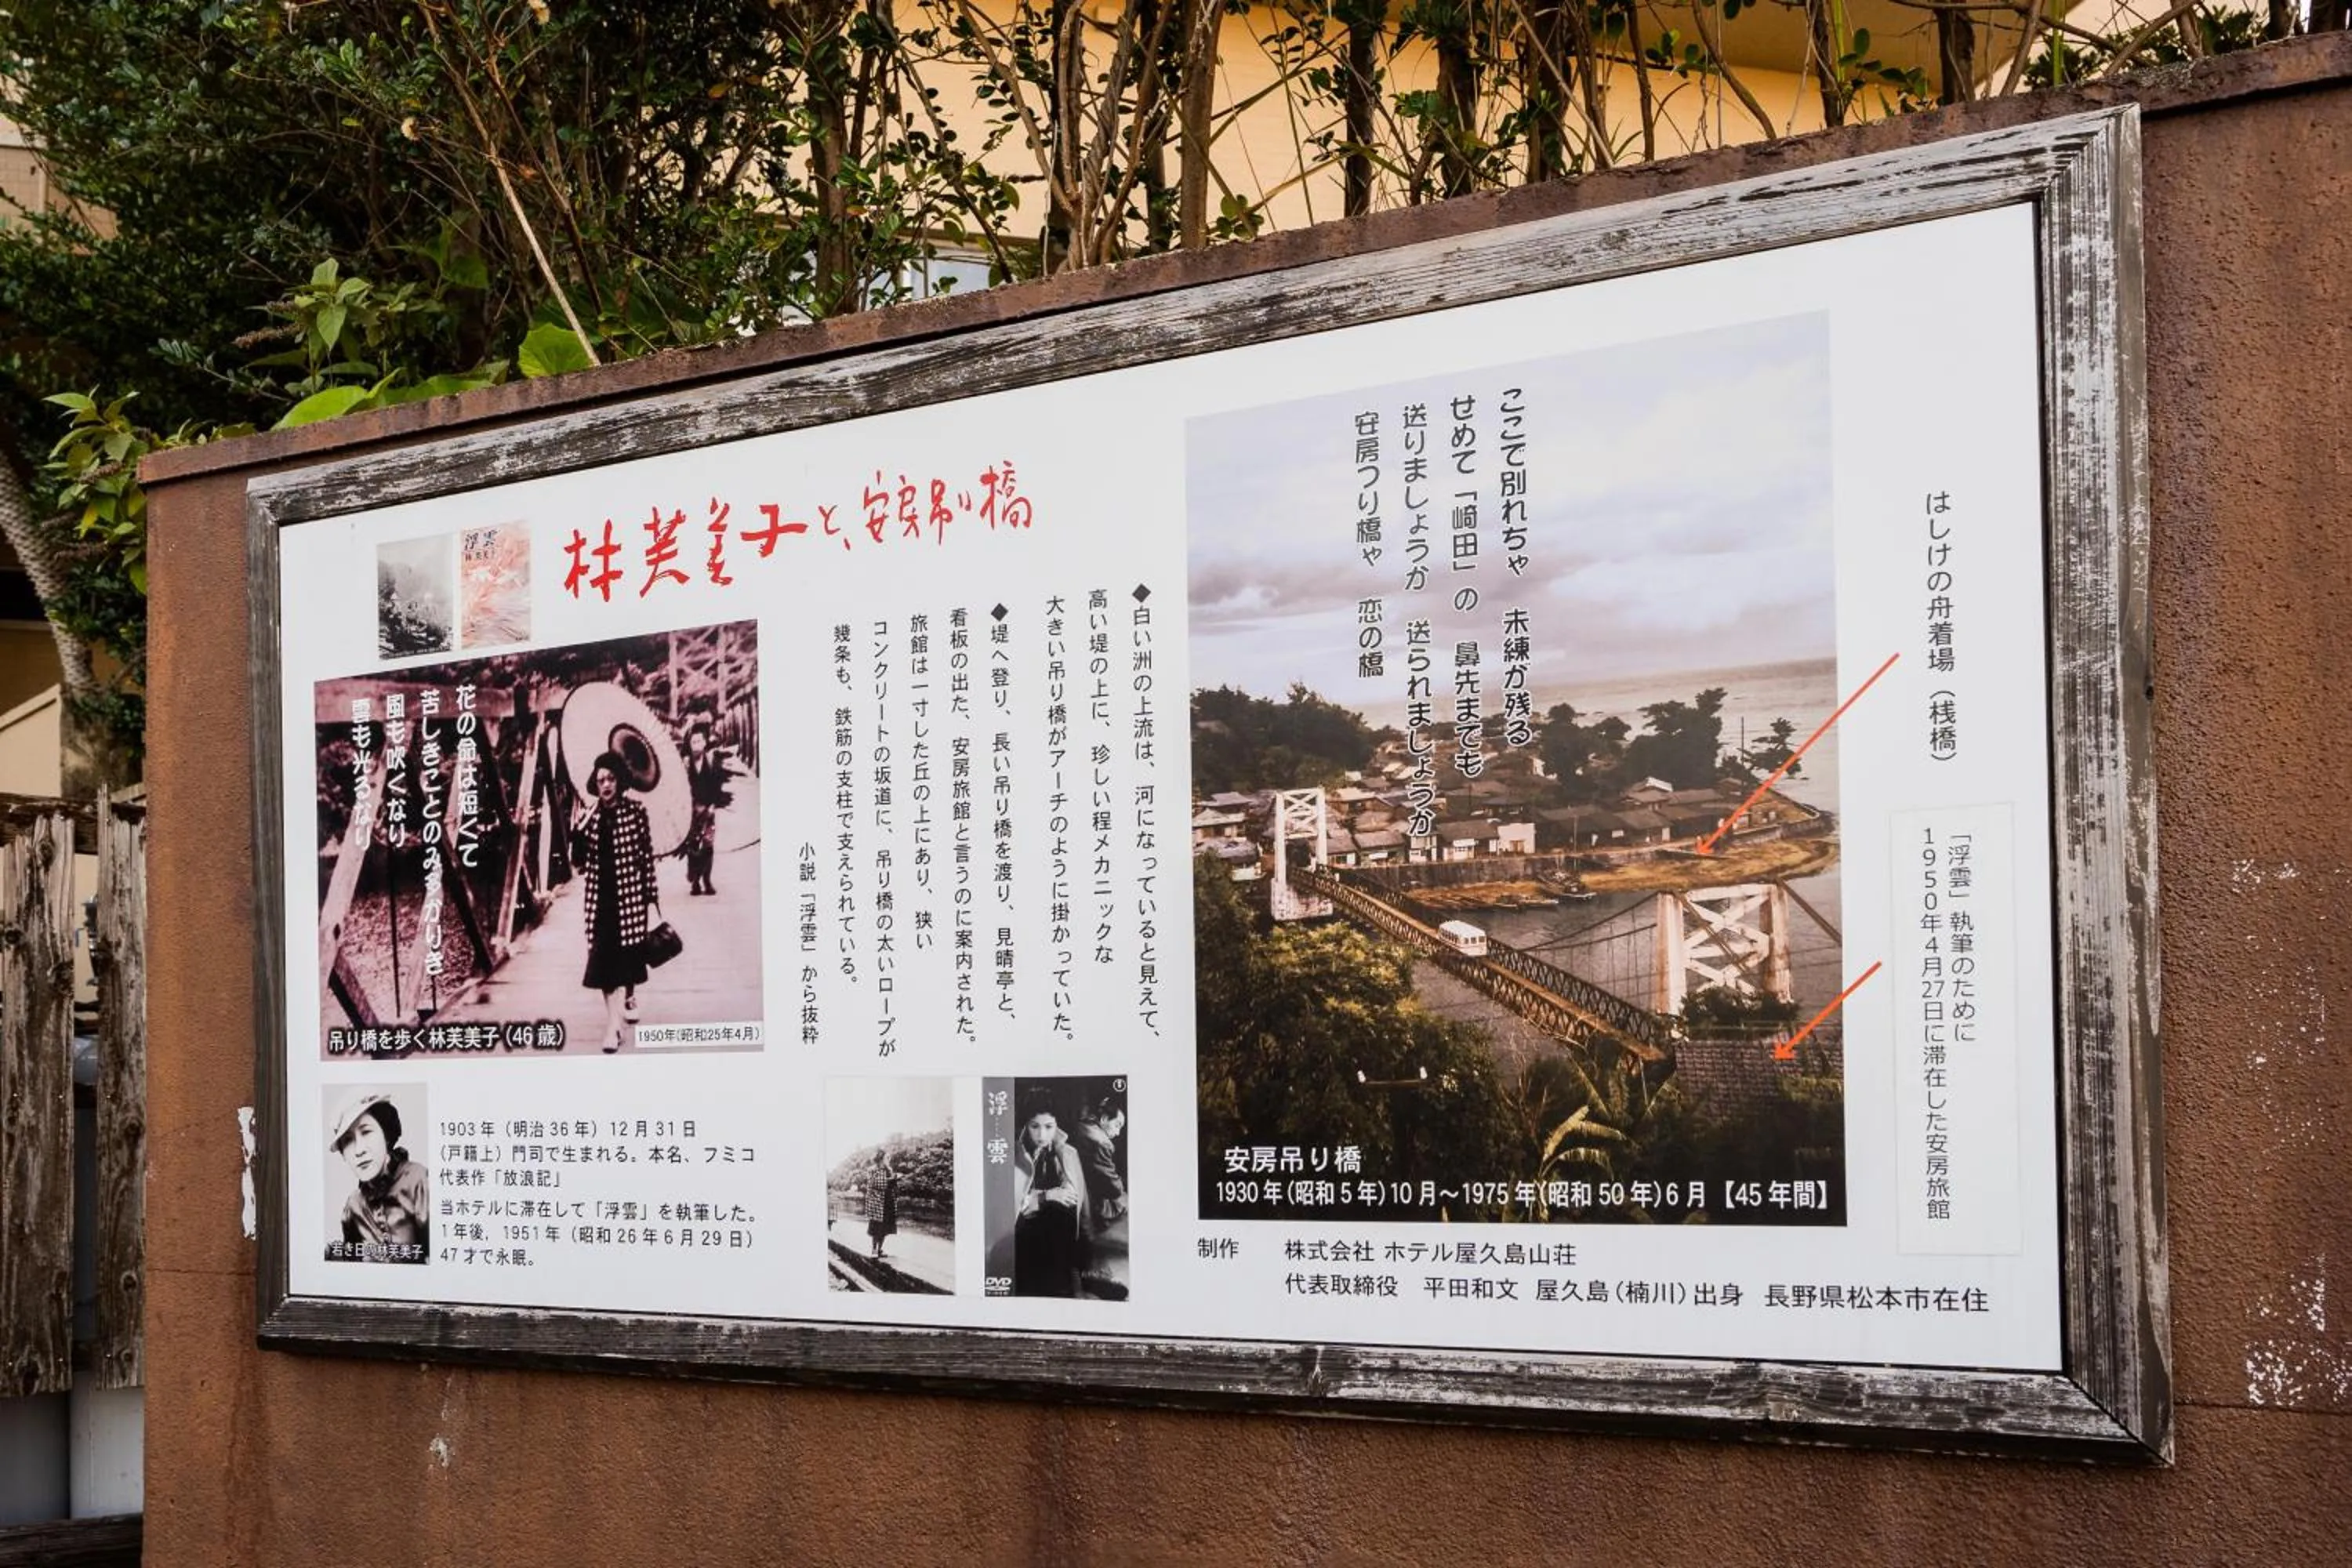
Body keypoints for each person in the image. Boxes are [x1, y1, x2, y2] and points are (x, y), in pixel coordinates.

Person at [572, 750, 661, 1053]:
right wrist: (578, 832)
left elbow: (646, 858)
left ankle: (625, 1005)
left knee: (628, 959)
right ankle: (613, 1025)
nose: (605, 785)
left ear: (620, 781)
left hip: (630, 898)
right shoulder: (590, 816)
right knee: (604, 962)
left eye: (610, 779)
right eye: (600, 781)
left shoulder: (637, 812)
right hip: (600, 900)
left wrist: (651, 895)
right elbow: (579, 863)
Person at [329, 1092, 428, 1261]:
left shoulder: (418, 1181)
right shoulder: (353, 1205)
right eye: (347, 1140)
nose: (359, 1150)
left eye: (366, 1132)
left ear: (386, 1135)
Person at [1013, 1106, 1088, 1298]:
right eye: (1035, 1126)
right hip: (1024, 1233)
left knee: (1062, 1213)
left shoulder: (1068, 1153)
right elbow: (1011, 1205)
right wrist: (1047, 1196)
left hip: (1059, 1234)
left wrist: (1063, 1193)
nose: (1041, 1134)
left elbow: (1078, 1198)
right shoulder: (1014, 1154)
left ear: (1057, 1126)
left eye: (1049, 1127)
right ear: (1026, 1126)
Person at [682, 725, 730, 896]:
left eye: (699, 741)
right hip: (691, 813)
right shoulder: (686, 764)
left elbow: (717, 786)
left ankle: (707, 881)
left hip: (708, 811)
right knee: (693, 846)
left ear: (704, 743)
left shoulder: (711, 761)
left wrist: (712, 806)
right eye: (693, 741)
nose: (696, 745)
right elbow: (681, 789)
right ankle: (695, 881)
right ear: (689, 744)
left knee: (708, 845)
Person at [1075, 1097, 1128, 1228]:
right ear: (1104, 1119)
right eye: (1117, 1125)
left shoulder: (1083, 1124)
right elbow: (1113, 1188)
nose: (1118, 1133)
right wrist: (1122, 1191)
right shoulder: (1103, 1143)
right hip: (1089, 1199)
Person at [866, 1150, 900, 1261]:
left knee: (886, 1227)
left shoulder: (889, 1170)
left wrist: (895, 1180)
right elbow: (876, 1184)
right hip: (878, 1202)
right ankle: (874, 1250)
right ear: (880, 1159)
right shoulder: (873, 1170)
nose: (888, 1160)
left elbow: (892, 1185)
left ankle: (880, 1249)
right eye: (886, 1158)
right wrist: (892, 1179)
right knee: (877, 1227)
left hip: (888, 1201)